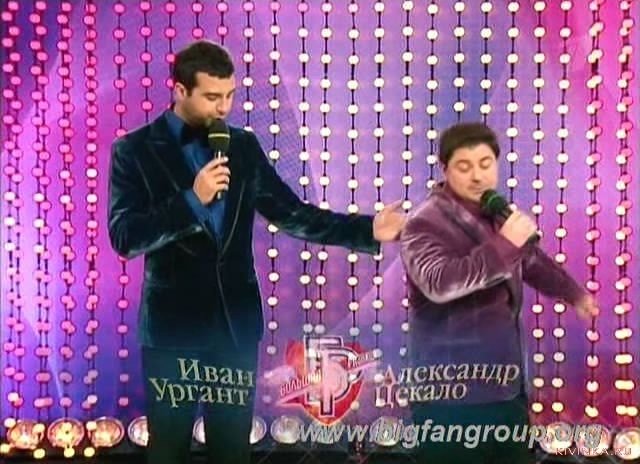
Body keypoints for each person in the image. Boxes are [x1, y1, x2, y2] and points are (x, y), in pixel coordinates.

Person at [107, 40, 406, 464]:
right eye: (212, 97)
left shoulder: (242, 147)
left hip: (235, 330)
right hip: (172, 332)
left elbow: (292, 214)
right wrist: (192, 200)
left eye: (230, 95)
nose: (224, 107)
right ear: (179, 90)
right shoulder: (134, 150)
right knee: (168, 451)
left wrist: (367, 229)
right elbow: (125, 237)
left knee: (232, 451)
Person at [399, 122, 599, 463]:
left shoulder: (495, 211)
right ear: (445, 170)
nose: (477, 176)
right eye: (464, 166)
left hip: (505, 389)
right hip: (449, 395)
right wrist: (505, 244)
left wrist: (574, 294)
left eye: (485, 164)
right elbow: (440, 283)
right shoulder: (423, 222)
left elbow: (530, 261)